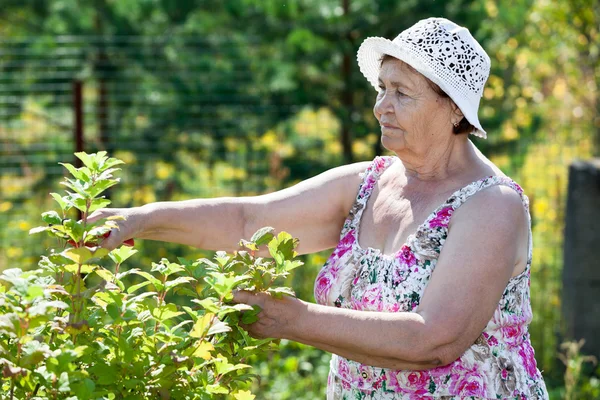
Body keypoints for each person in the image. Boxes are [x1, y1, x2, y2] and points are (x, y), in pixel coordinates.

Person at [91, 18, 549, 399]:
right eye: (382, 88)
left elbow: (435, 340)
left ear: (454, 111)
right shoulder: (367, 184)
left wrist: (292, 319)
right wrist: (139, 219)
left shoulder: (492, 205)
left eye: (402, 94)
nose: (381, 108)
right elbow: (248, 222)